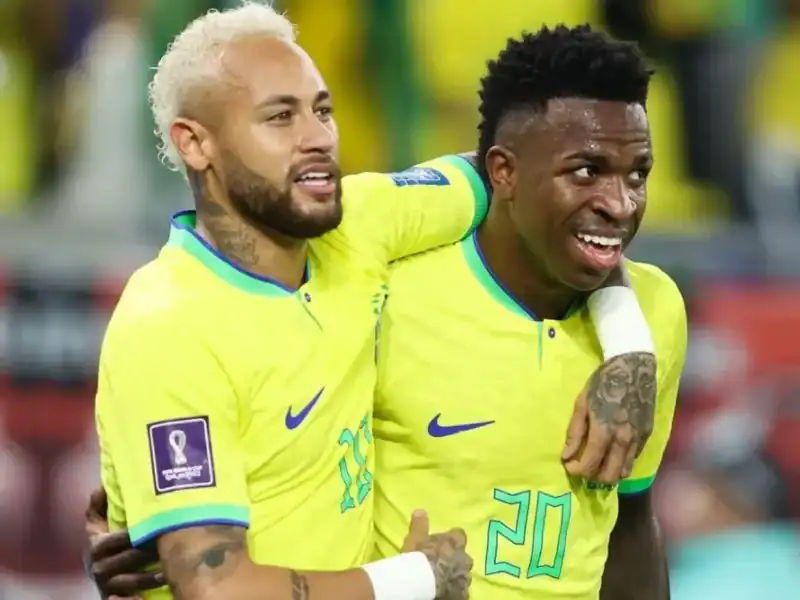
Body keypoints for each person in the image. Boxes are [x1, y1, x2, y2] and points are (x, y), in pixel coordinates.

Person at [87, 4, 660, 600]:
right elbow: (218, 590)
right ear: (195, 143)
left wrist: (627, 344)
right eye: (280, 117)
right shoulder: (170, 326)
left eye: (322, 110)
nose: (317, 138)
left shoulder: (359, 225)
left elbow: (548, 183)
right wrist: (415, 577)